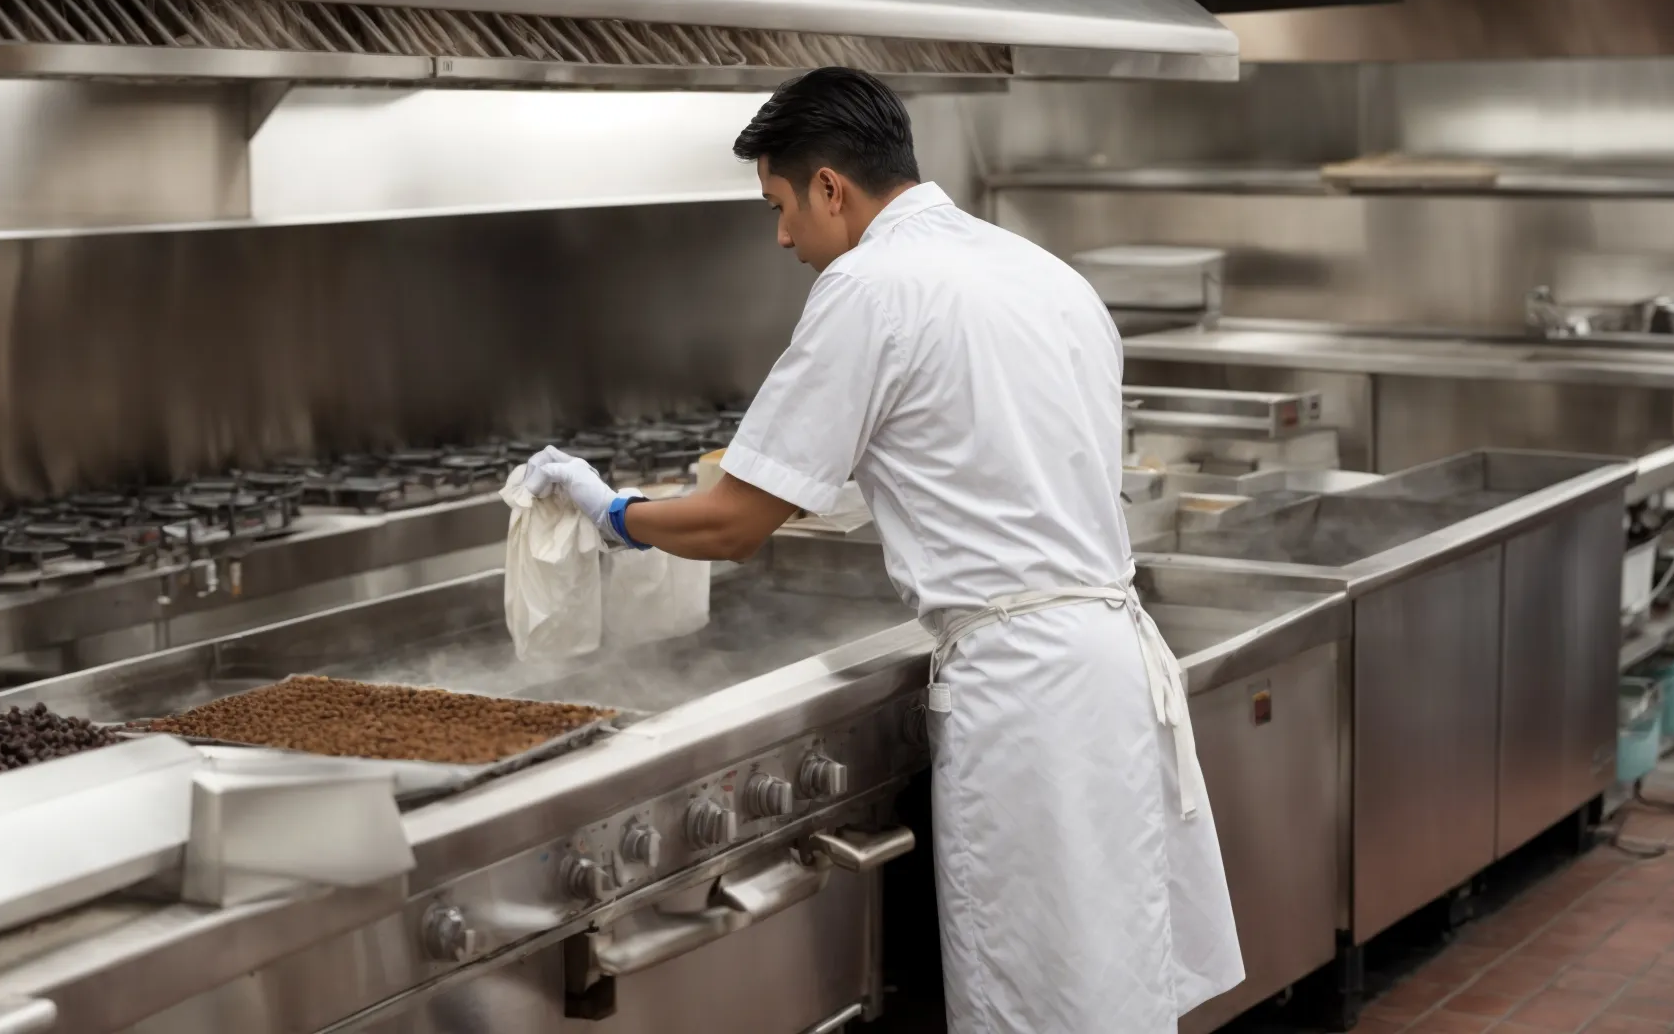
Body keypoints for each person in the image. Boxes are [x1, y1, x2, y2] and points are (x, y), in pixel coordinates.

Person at [521, 67, 1242, 1032]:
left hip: (1022, 692)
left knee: (1036, 1001)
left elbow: (733, 524)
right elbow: (977, 450)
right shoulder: (1038, 271)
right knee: (1108, 990)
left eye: (779, 205)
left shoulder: (869, 285)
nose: (782, 237)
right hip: (1108, 669)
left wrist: (613, 511)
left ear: (830, 187)